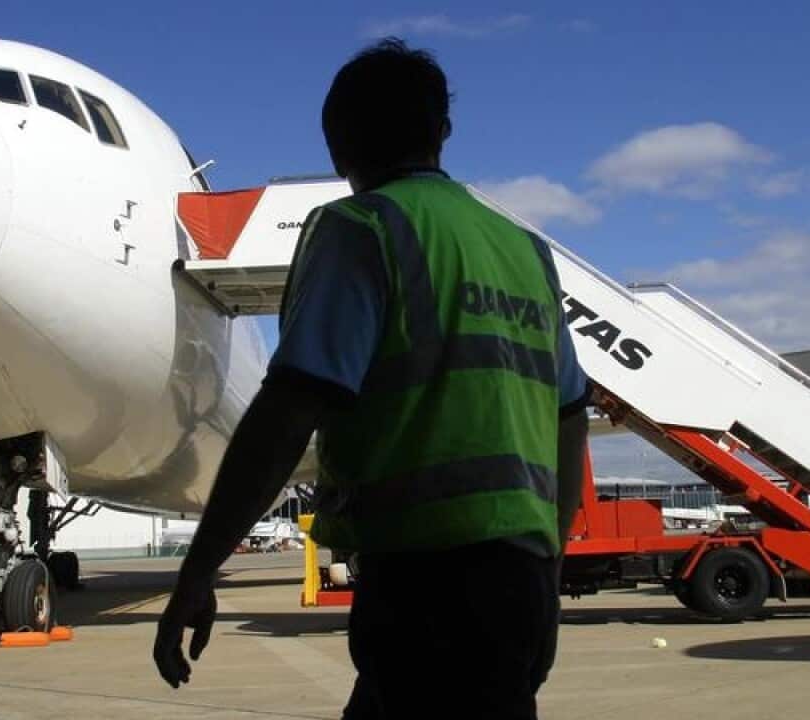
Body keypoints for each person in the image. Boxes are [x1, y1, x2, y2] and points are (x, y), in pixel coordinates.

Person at [154, 38, 590, 719]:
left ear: (337, 150)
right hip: (521, 579)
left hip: (427, 582)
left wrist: (199, 567)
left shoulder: (359, 228)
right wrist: (551, 560)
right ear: (442, 131)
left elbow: (292, 404)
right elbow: (570, 416)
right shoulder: (526, 250)